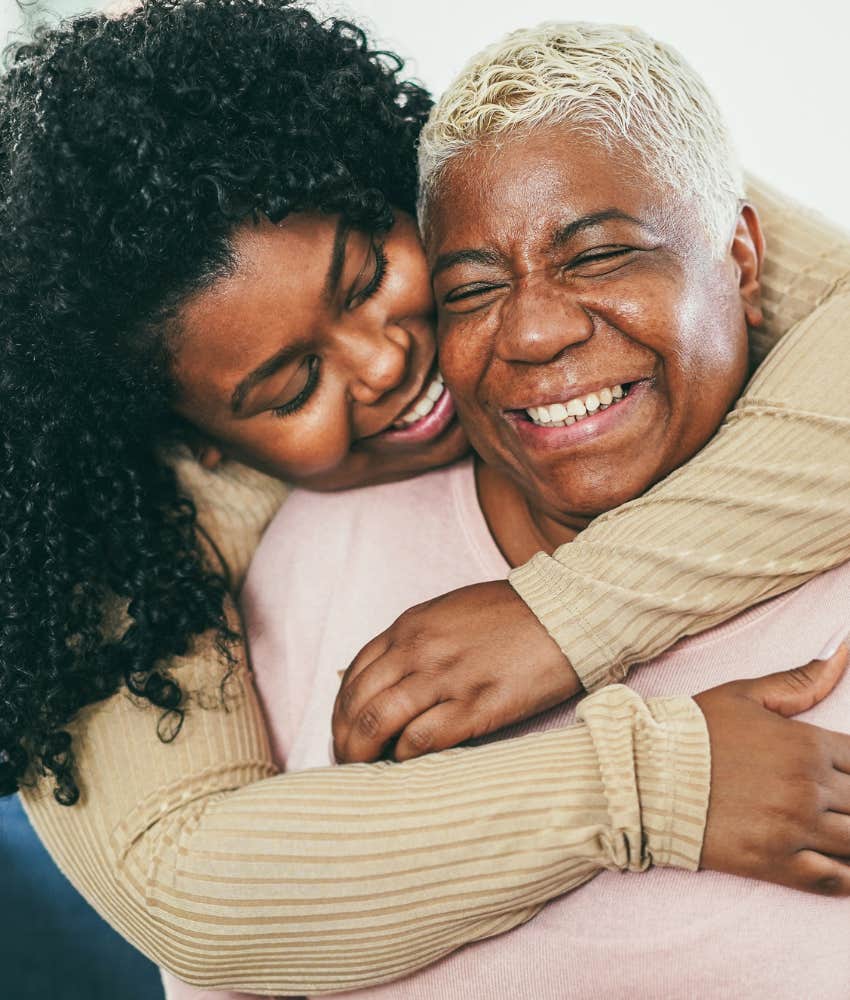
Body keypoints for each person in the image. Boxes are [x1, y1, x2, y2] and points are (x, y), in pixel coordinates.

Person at [2, 1, 850, 994]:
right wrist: (649, 783)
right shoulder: (130, 524)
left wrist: (561, 615)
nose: (386, 360)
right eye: (290, 388)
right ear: (201, 440)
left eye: (365, 278)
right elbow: (190, 885)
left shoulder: (487, 164)